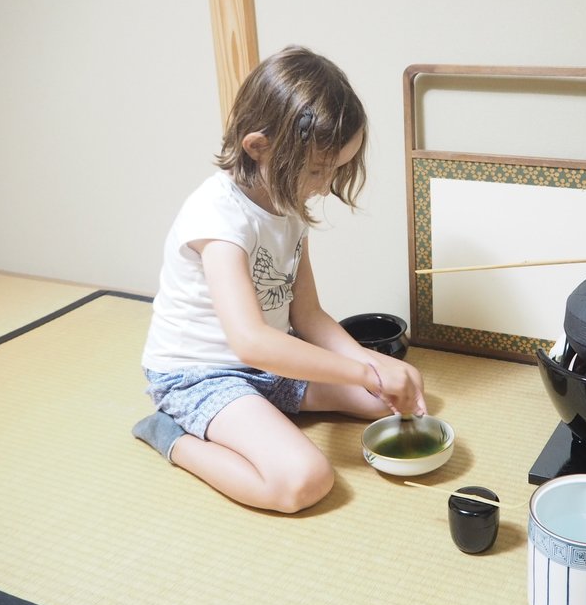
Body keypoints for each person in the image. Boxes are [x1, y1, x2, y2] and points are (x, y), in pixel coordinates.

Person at [133, 46, 426, 514]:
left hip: (268, 365)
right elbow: (250, 341)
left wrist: (374, 367)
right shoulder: (218, 218)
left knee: (391, 402)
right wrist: (363, 369)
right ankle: (173, 437)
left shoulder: (286, 204)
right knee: (304, 481)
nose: (326, 185)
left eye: (337, 170)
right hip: (200, 375)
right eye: (317, 170)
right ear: (257, 146)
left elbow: (307, 315)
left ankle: (264, 412)